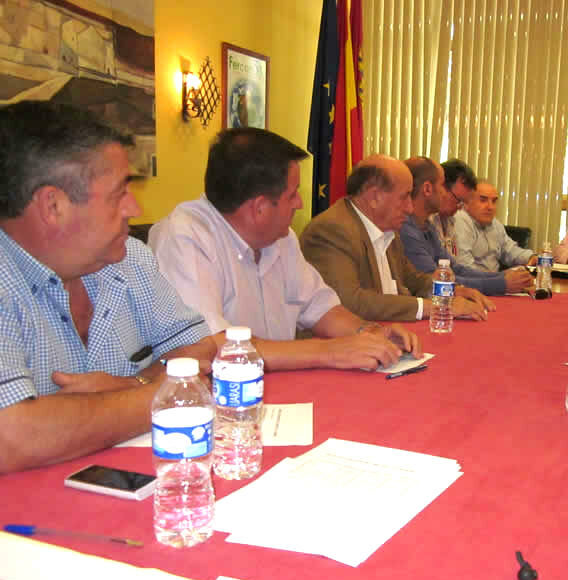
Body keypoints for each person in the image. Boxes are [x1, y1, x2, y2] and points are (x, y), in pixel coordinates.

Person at [0, 101, 214, 474]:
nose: (135, 208)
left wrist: (131, 383)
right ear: (53, 206)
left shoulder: (128, 258)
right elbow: (12, 436)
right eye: (119, 193)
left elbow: (200, 352)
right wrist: (165, 396)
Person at [149, 128, 421, 371]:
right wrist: (329, 351)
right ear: (259, 208)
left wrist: (369, 333)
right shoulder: (185, 237)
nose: (300, 204)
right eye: (292, 194)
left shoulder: (281, 237)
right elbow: (210, 346)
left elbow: (319, 306)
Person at [300, 154, 495, 322]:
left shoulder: (388, 229)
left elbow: (413, 279)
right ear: (375, 197)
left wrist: (452, 290)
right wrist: (435, 307)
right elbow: (349, 301)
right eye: (405, 197)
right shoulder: (333, 230)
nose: (410, 208)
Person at [400, 157, 534, 295]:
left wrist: (503, 278)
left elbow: (454, 269)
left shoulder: (426, 226)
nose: (443, 192)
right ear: (427, 189)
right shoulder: (406, 228)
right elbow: (437, 281)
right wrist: (502, 283)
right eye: (442, 185)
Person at [454, 182, 538, 272]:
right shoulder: (459, 220)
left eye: (494, 201)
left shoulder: (494, 223)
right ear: (466, 203)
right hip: (475, 279)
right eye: (483, 200)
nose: (490, 207)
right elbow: (465, 268)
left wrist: (531, 257)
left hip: (494, 278)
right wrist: (501, 277)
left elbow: (510, 250)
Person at [430, 158, 477, 257]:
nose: (460, 208)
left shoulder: (450, 221)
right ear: (442, 188)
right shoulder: (424, 220)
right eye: (458, 200)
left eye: (463, 203)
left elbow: (453, 262)